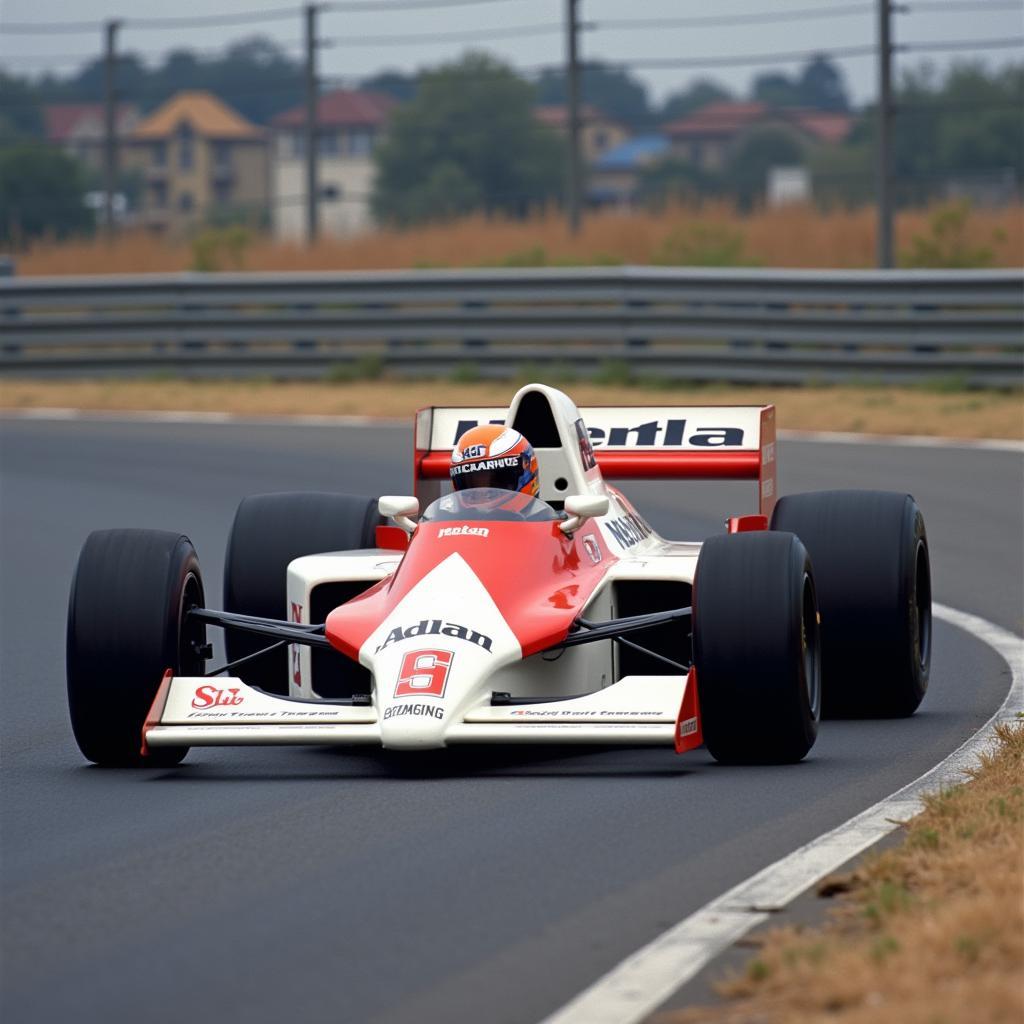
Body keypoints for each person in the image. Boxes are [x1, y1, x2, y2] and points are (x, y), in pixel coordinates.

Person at [449, 424, 539, 496]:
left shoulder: (546, 518)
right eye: (472, 488)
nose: (483, 497)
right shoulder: (448, 517)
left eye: (498, 481)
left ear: (526, 464)